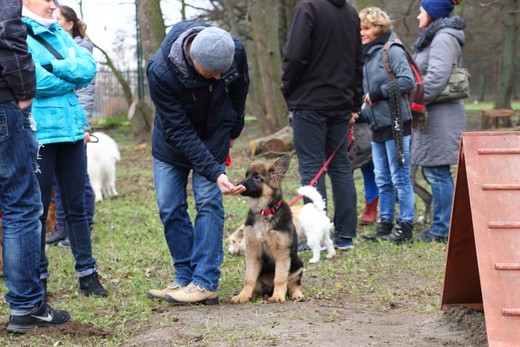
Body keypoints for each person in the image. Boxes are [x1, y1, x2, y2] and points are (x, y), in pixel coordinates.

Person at [146, 21, 249, 305]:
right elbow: (179, 130)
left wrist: (233, 131)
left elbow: (240, 92)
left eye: (222, 72)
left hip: (216, 133)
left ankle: (204, 282)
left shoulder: (233, 50)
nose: (218, 77)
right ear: (193, 59)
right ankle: (184, 277)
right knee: (170, 207)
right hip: (172, 142)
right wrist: (215, 171)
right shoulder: (161, 71)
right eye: (212, 73)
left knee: (209, 203)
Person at [22, 0, 107, 297]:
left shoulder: (58, 32)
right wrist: (67, 77)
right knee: (38, 210)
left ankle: (88, 274)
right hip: (41, 133)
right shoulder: (17, 32)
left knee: (77, 208)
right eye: (45, 0)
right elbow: (32, 80)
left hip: (72, 131)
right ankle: (39, 279)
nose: (51, 5)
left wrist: (54, 66)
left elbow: (86, 68)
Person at [0, 0, 70, 332]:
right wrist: (25, 92)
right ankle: (27, 306)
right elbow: (8, 35)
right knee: (22, 205)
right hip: (4, 107)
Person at [281, 0, 363, 250]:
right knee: (340, 167)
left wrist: (288, 90)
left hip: (310, 102)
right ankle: (346, 235)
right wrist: (354, 103)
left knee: (312, 168)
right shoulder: (350, 12)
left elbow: (294, 56)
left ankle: (315, 236)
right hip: (340, 102)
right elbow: (358, 62)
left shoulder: (307, 8)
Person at [358, 7, 416, 244]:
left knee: (400, 177)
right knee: (382, 177)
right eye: (360, 28)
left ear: (379, 28)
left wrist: (378, 93)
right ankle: (385, 224)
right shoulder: (366, 54)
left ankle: (406, 227)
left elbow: (407, 81)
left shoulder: (392, 50)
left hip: (396, 123)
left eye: (367, 28)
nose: (362, 32)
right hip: (376, 124)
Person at [411, 0, 466, 243]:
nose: (417, 15)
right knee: (434, 170)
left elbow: (436, 77)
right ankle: (443, 225)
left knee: (438, 173)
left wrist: (414, 102)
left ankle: (443, 229)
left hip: (441, 116)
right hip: (432, 114)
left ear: (433, 13)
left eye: (421, 10)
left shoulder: (442, 38)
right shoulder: (435, 37)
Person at [47, 5, 97, 248]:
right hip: (56, 123)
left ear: (68, 24)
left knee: (79, 180)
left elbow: (85, 92)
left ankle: (83, 225)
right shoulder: (58, 47)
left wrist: (85, 126)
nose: (53, 22)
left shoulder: (80, 50)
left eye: (57, 19)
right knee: (58, 182)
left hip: (75, 124)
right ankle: (64, 228)